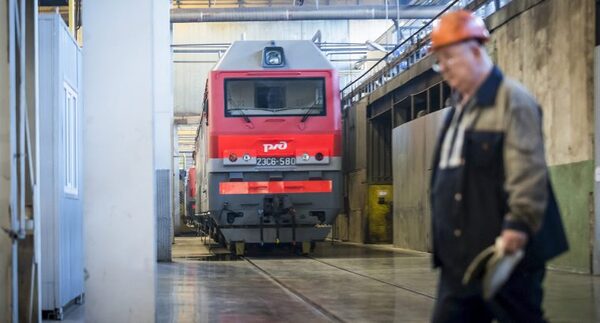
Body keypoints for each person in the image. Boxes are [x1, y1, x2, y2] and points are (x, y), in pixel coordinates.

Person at [428, 10, 568, 322]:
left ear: (476, 51)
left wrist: (517, 225)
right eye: (440, 61)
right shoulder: (456, 112)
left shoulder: (512, 100)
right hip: (460, 261)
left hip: (504, 256)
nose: (444, 68)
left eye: (449, 57)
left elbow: (528, 170)